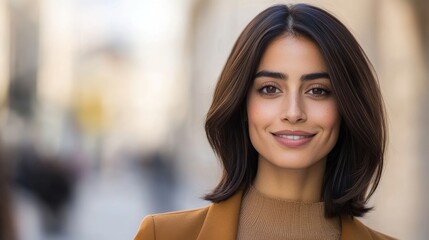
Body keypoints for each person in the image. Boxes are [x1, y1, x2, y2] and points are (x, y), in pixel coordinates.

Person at [134, 3, 396, 240]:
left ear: (347, 107)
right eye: (270, 89)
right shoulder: (162, 235)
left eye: (317, 90)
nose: (293, 112)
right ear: (241, 104)